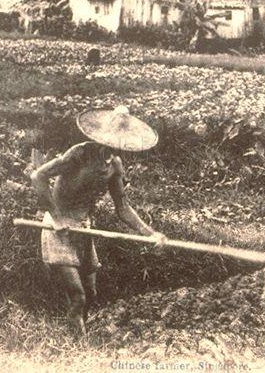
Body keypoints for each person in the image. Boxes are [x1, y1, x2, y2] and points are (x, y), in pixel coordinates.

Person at [30, 106, 166, 334]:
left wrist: (150, 233)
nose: (114, 146)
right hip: (59, 229)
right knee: (78, 296)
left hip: (84, 230)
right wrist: (57, 216)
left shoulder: (115, 166)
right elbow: (38, 176)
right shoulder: (79, 153)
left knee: (91, 293)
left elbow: (122, 207)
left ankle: (76, 332)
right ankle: (79, 352)